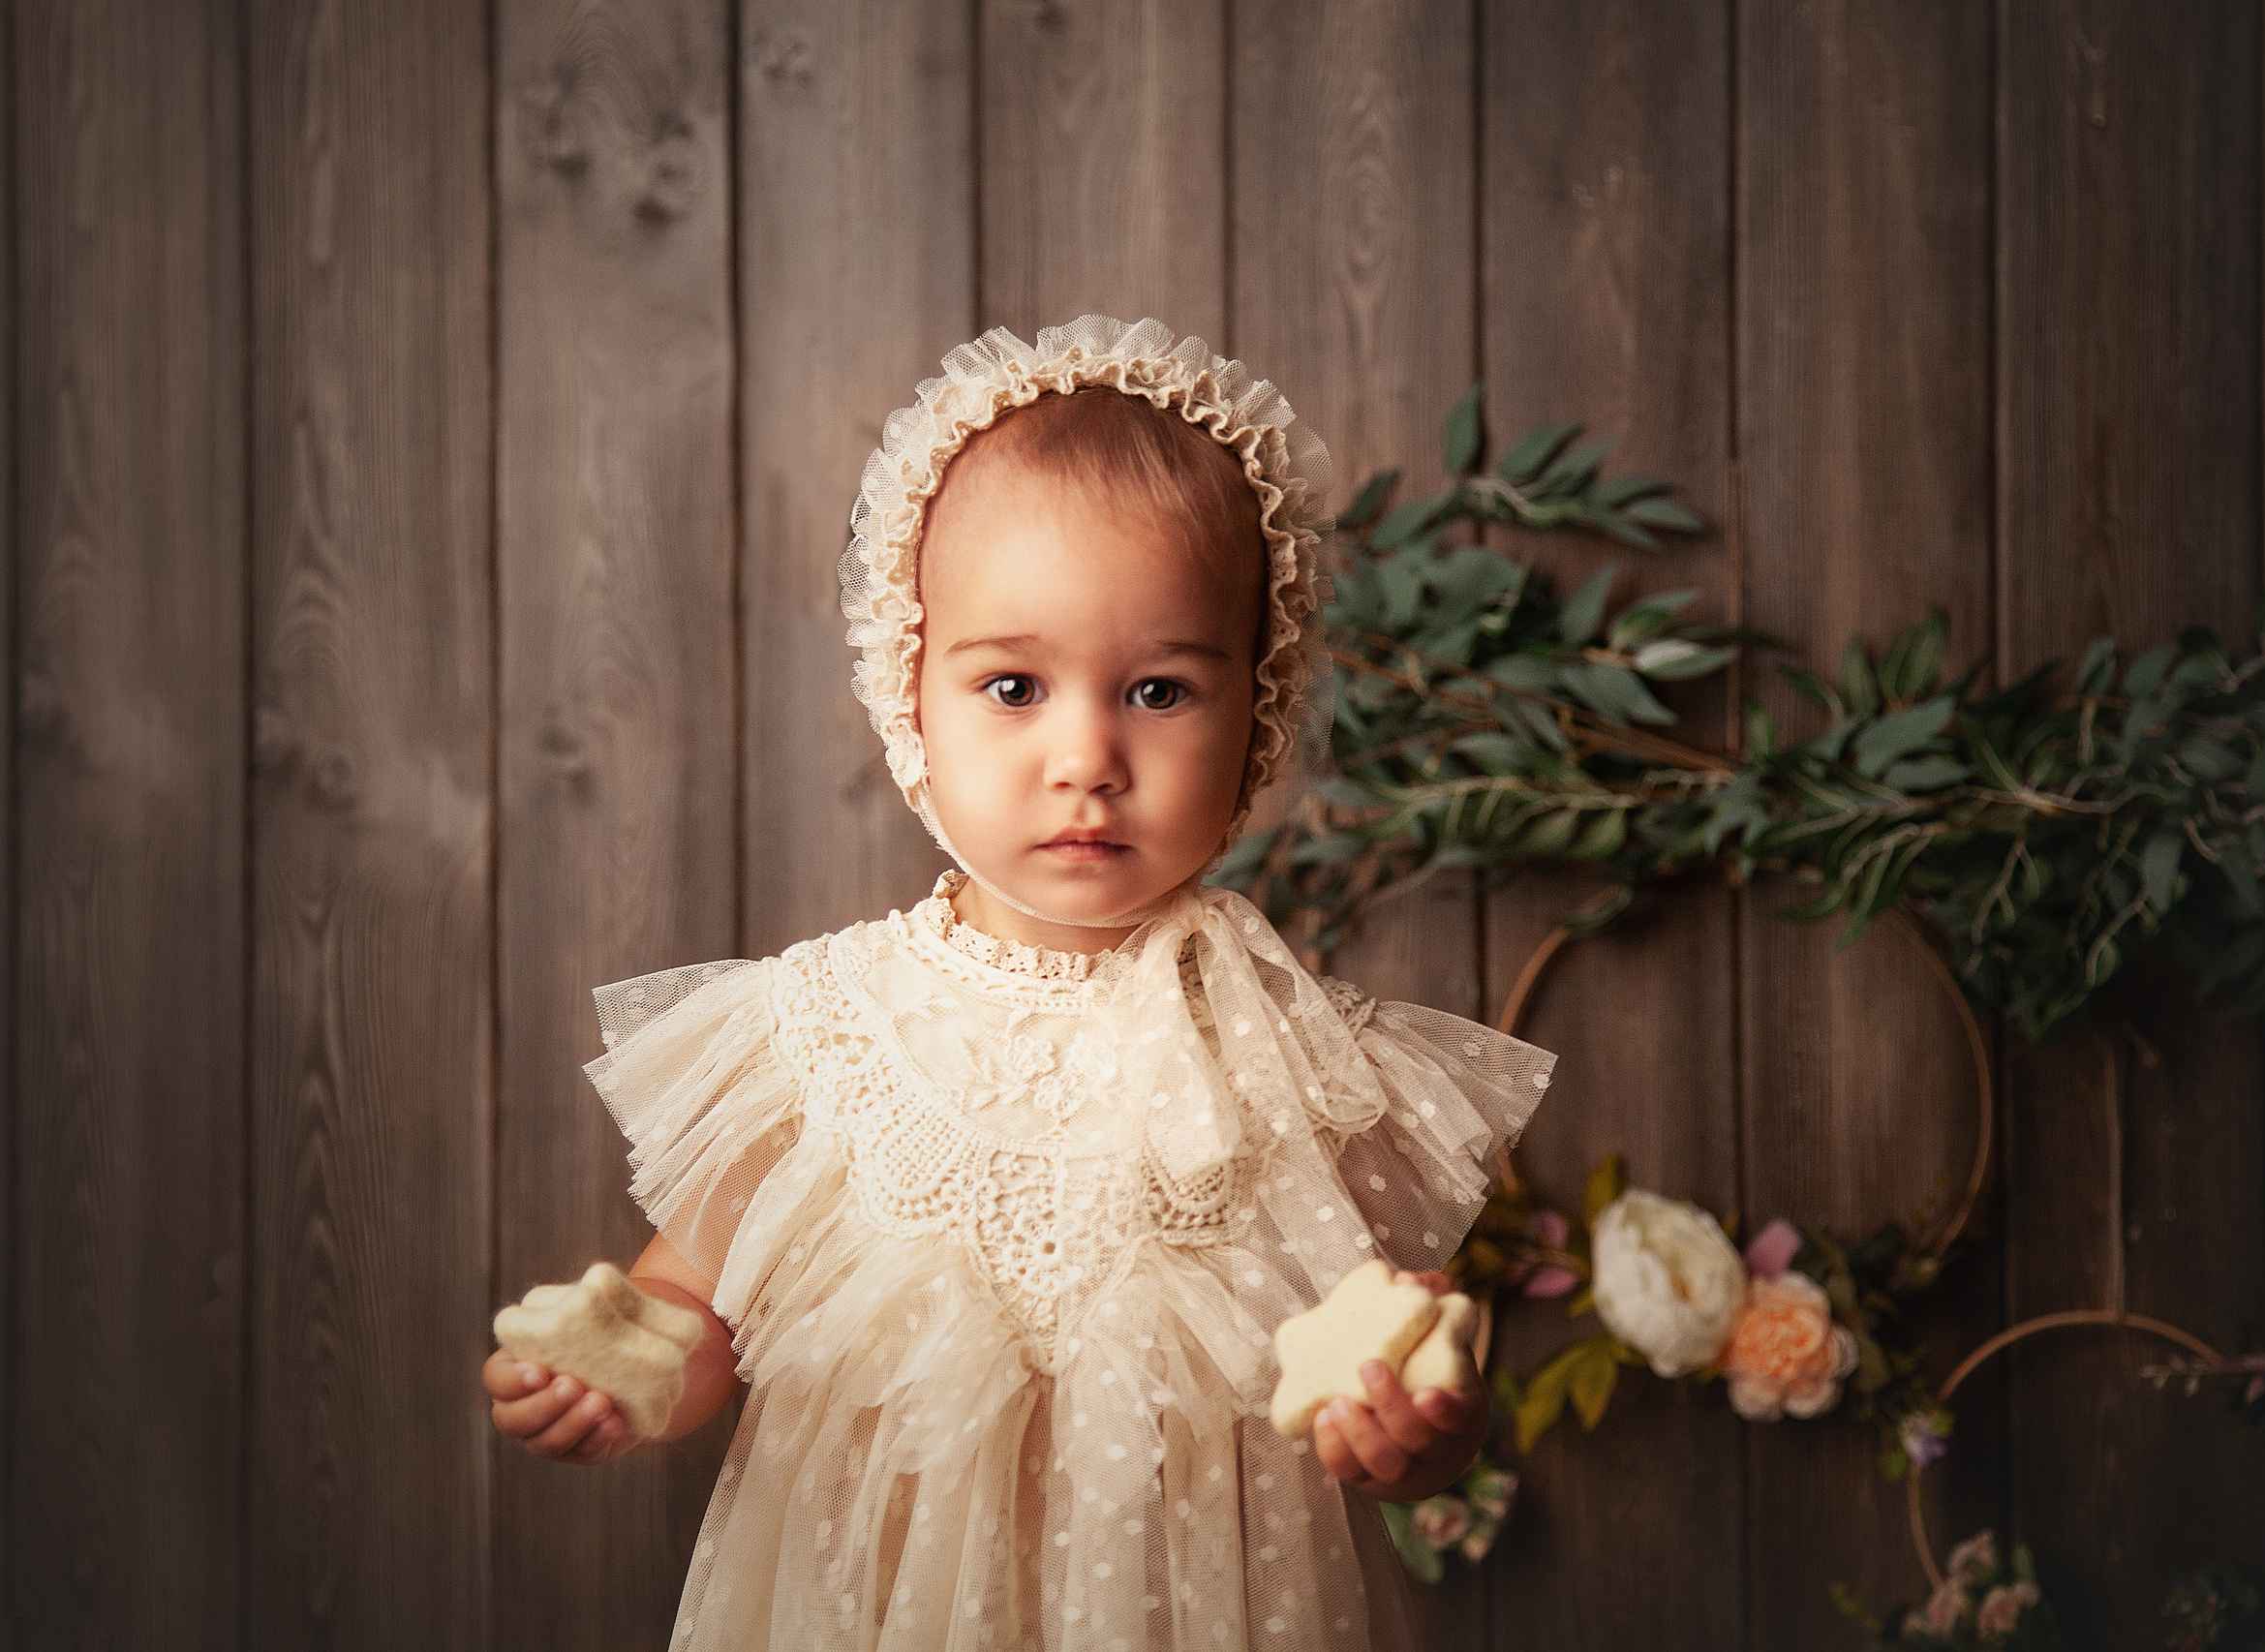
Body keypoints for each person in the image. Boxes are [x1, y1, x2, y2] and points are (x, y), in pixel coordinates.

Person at [479, 317, 1555, 1650]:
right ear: (910, 695)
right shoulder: (816, 1034)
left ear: (1257, 712)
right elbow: (695, 1313)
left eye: (1159, 689)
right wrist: (626, 1374)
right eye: (1013, 685)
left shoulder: (1299, 1065)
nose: (1087, 753)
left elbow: (1379, 1374)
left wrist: (1416, 1433)